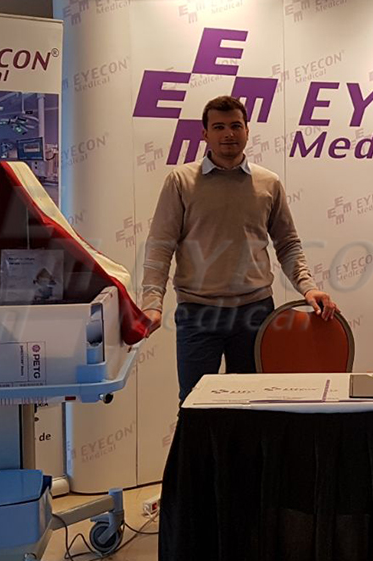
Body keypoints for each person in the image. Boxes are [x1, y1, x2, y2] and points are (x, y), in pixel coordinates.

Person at [141, 95, 338, 403]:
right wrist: (152, 304)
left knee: (252, 406)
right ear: (205, 134)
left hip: (255, 312)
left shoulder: (268, 183)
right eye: (218, 127)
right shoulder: (181, 181)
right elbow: (160, 247)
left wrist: (308, 287)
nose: (228, 134)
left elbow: (288, 243)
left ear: (247, 130)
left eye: (235, 125)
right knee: (194, 406)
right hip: (198, 312)